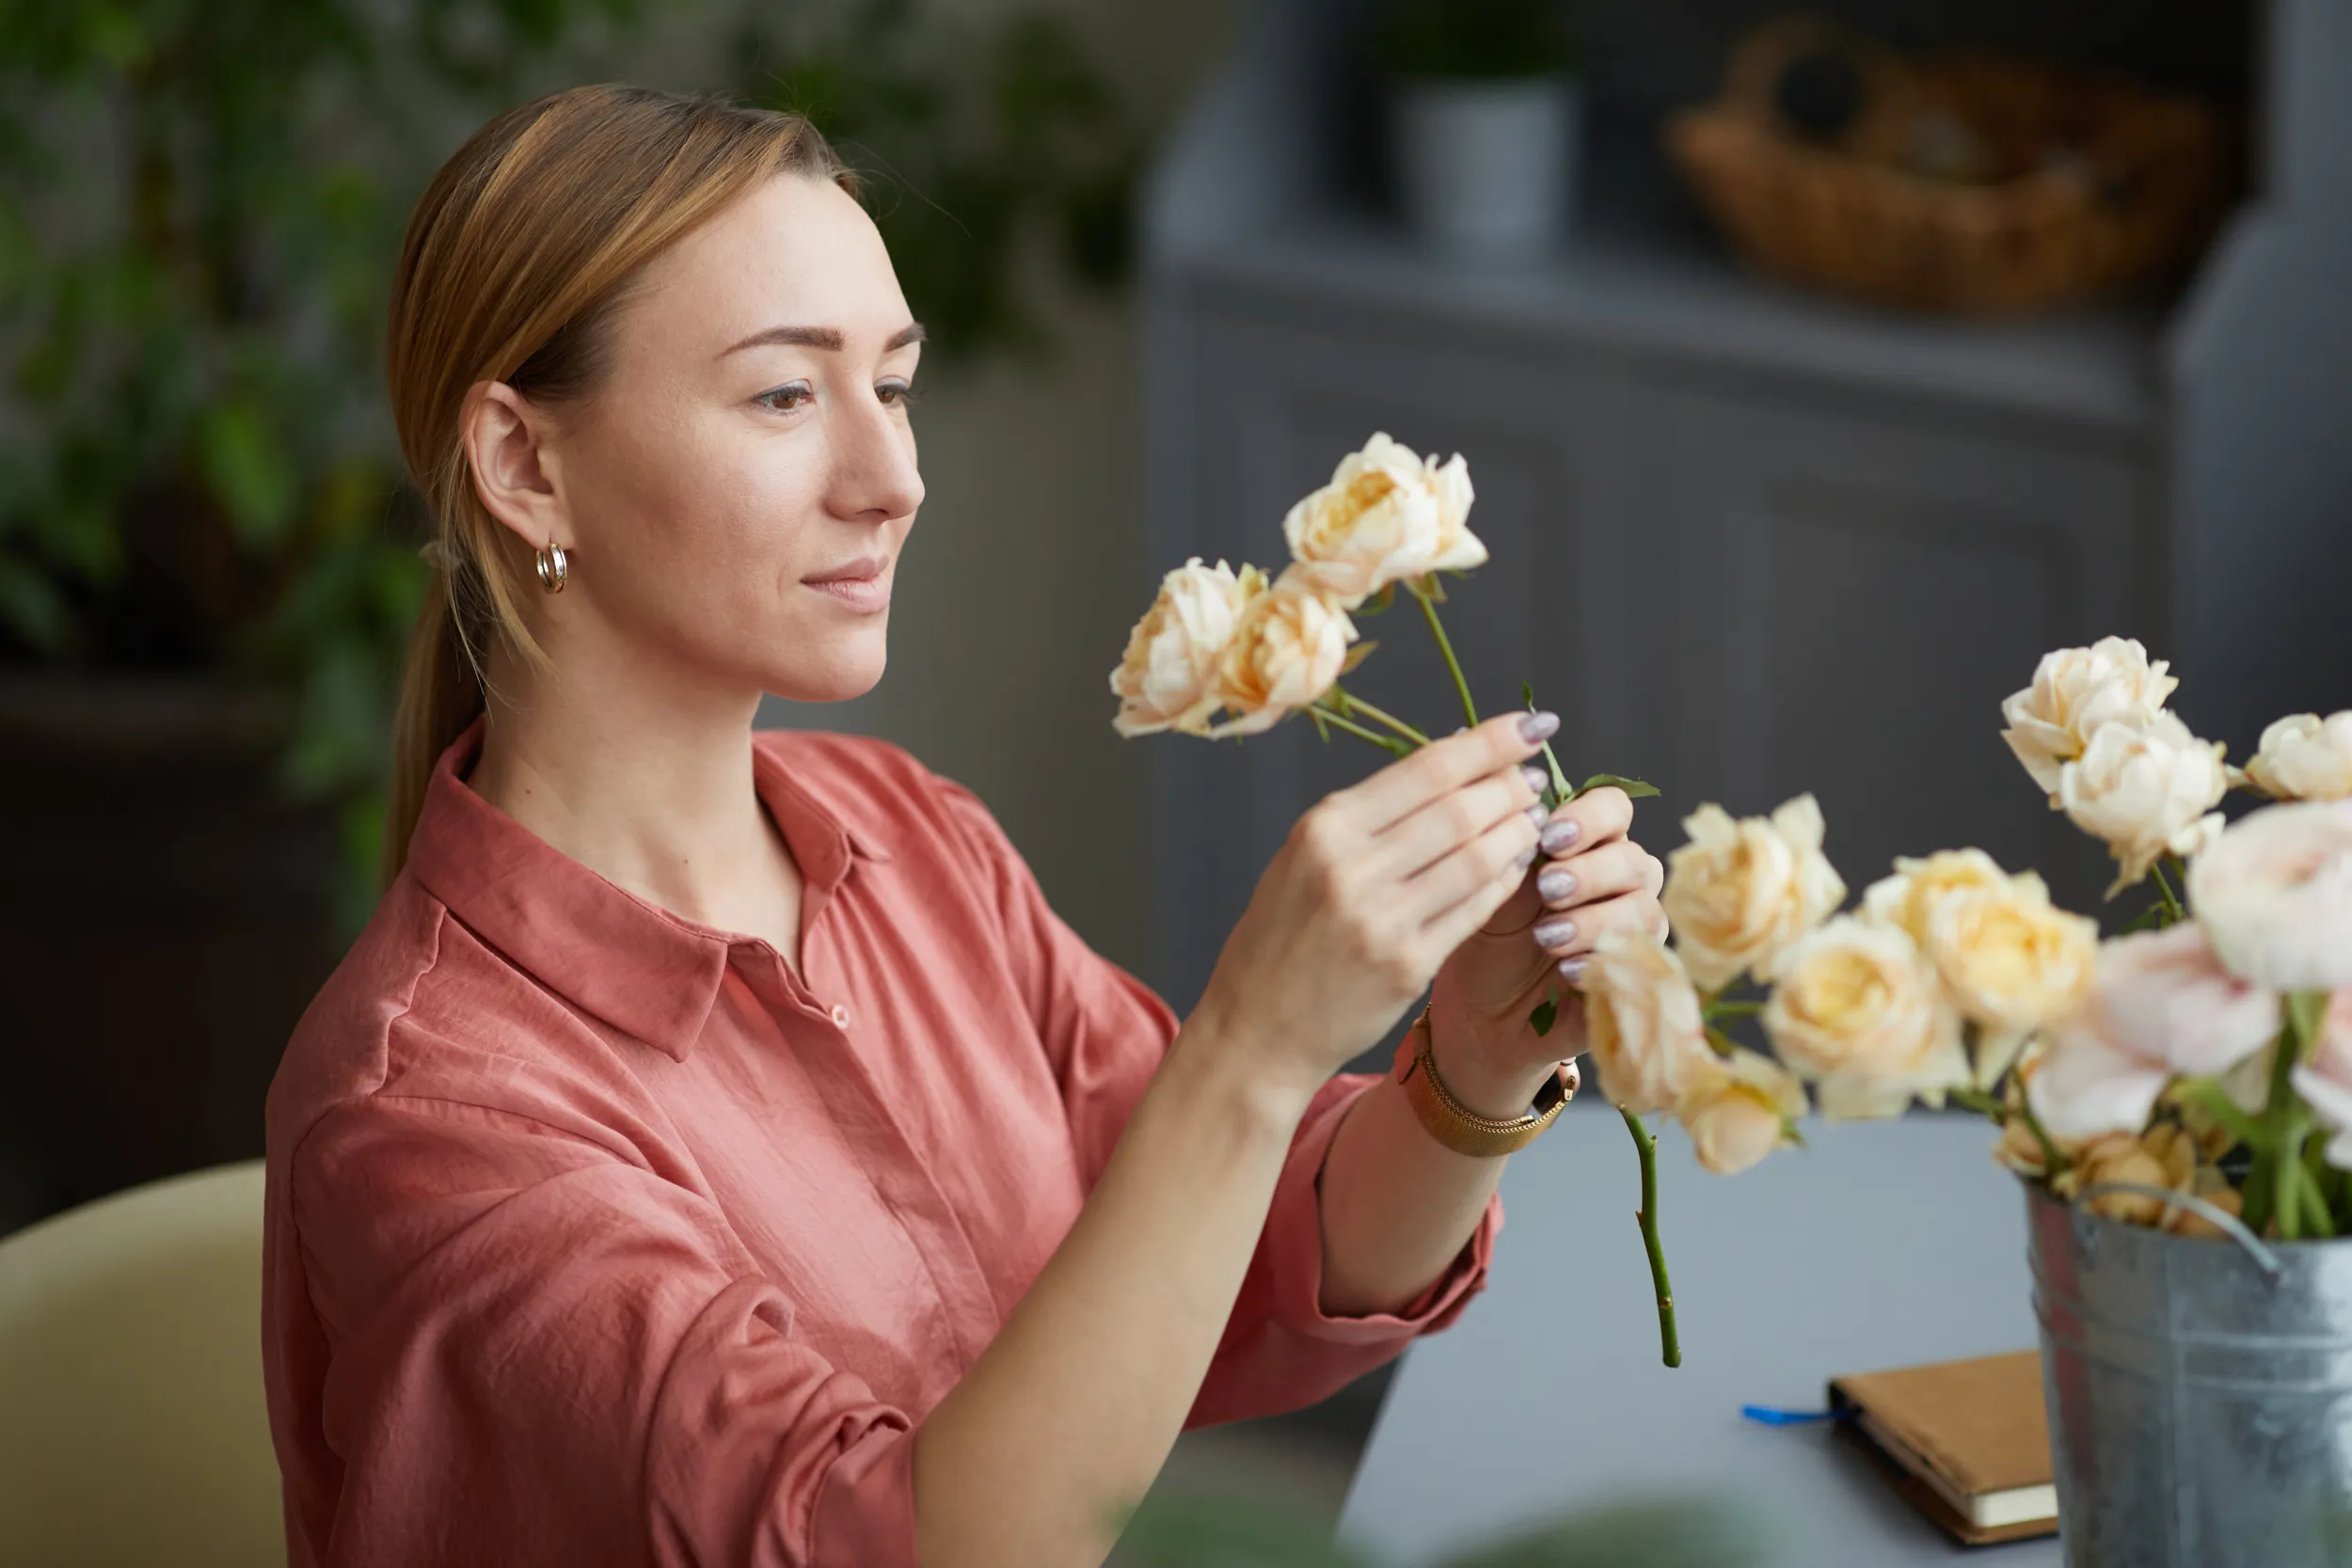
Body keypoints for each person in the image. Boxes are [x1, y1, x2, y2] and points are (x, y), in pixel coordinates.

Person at [259, 84, 1666, 1568]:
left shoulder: (909, 836)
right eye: (787, 395)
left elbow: (1247, 1249)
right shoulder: (428, 1120)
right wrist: (1250, 1045)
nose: (894, 480)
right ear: (526, 465)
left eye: (897, 384)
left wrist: (1478, 1064)